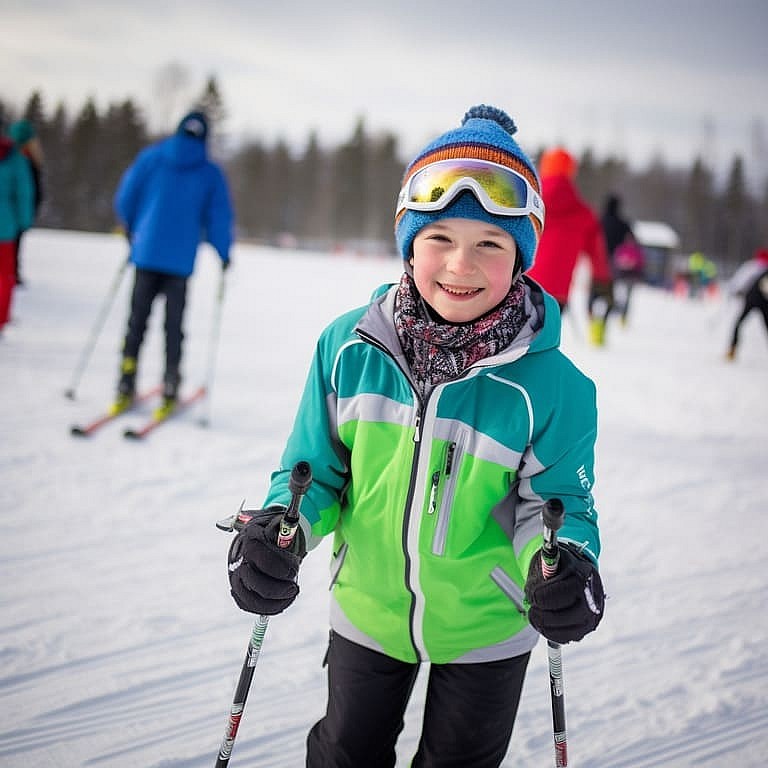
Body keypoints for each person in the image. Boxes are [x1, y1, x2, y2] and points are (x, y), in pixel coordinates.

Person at [226, 105, 605, 768]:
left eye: (491, 242)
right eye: (440, 239)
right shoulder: (349, 349)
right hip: (368, 609)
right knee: (345, 753)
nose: (461, 264)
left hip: (487, 627)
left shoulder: (555, 389)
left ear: (522, 256)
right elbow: (311, 473)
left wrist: (563, 565)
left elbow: (558, 509)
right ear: (409, 243)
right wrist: (281, 531)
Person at [112, 110, 233, 414]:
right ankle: (170, 382)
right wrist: (223, 252)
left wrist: (131, 228)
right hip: (179, 262)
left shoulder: (151, 158)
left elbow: (127, 196)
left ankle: (126, 378)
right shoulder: (209, 172)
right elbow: (219, 217)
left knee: (136, 321)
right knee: (173, 325)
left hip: (147, 253)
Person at [527, 147, 613, 345]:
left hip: (523, 284)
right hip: (558, 293)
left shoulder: (529, 202)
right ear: (571, 172)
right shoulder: (584, 214)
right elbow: (597, 255)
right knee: (543, 346)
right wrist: (603, 281)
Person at [0, 125, 34, 334]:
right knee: (5, 275)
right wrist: (23, 222)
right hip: (5, 227)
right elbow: (24, 193)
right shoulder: (16, 159)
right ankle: (1, 319)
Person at [8, 119, 44, 286]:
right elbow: (25, 192)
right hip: (13, 216)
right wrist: (25, 217)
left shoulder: (14, 158)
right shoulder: (21, 161)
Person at [601, 194, 644, 325]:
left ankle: (595, 326)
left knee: (597, 294)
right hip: (616, 263)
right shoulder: (623, 223)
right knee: (615, 295)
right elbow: (634, 240)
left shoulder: (600, 221)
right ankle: (612, 320)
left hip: (598, 261)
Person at [725, 247, 768, 361]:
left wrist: (734, 290)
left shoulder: (751, 266)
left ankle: (732, 349)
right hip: (763, 302)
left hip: (751, 299)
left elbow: (739, 280)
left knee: (739, 324)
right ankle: (732, 350)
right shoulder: (756, 267)